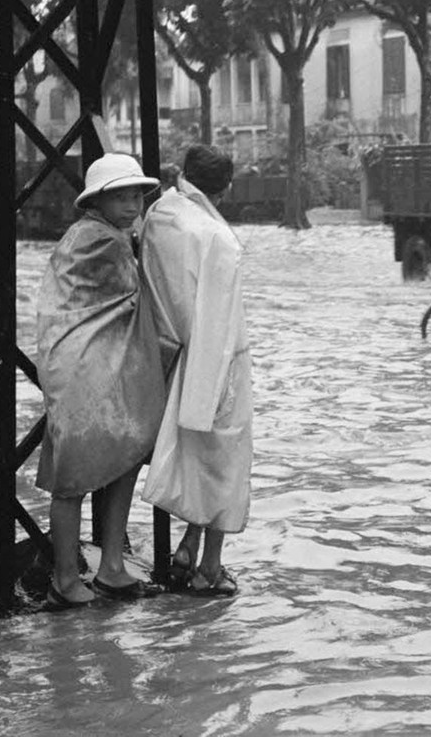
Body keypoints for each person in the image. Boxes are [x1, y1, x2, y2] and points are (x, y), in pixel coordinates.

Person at [35, 153, 167, 608]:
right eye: (123, 196)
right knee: (73, 478)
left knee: (120, 456)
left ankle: (108, 565)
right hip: (83, 373)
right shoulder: (103, 242)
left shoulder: (94, 234)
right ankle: (67, 577)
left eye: (138, 196)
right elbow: (144, 292)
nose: (133, 205)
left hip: (95, 369)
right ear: (100, 200)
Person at [139, 145, 252, 597]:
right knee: (225, 462)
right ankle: (210, 565)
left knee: (194, 458)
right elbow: (220, 326)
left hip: (166, 351)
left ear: (184, 174)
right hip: (216, 361)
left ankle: (187, 546)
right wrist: (218, 391)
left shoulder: (159, 214)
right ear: (225, 188)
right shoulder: (218, 239)